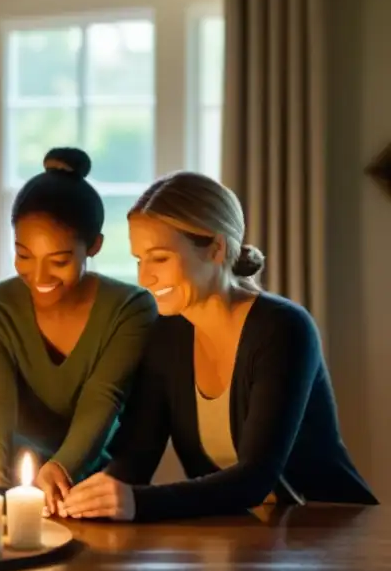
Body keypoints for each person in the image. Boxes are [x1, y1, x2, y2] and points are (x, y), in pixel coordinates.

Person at [61, 171, 378, 522]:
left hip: (334, 533)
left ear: (216, 249)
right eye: (139, 260)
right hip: (250, 538)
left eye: (160, 258)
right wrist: (89, 494)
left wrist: (138, 502)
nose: (144, 278)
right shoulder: (165, 335)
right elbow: (137, 454)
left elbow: (256, 478)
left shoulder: (284, 329)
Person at [0, 147, 157, 509]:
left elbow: (104, 396)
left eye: (59, 261)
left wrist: (61, 468)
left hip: (99, 489)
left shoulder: (131, 310)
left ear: (94, 246)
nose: (38, 277)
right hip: (14, 487)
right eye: (23, 255)